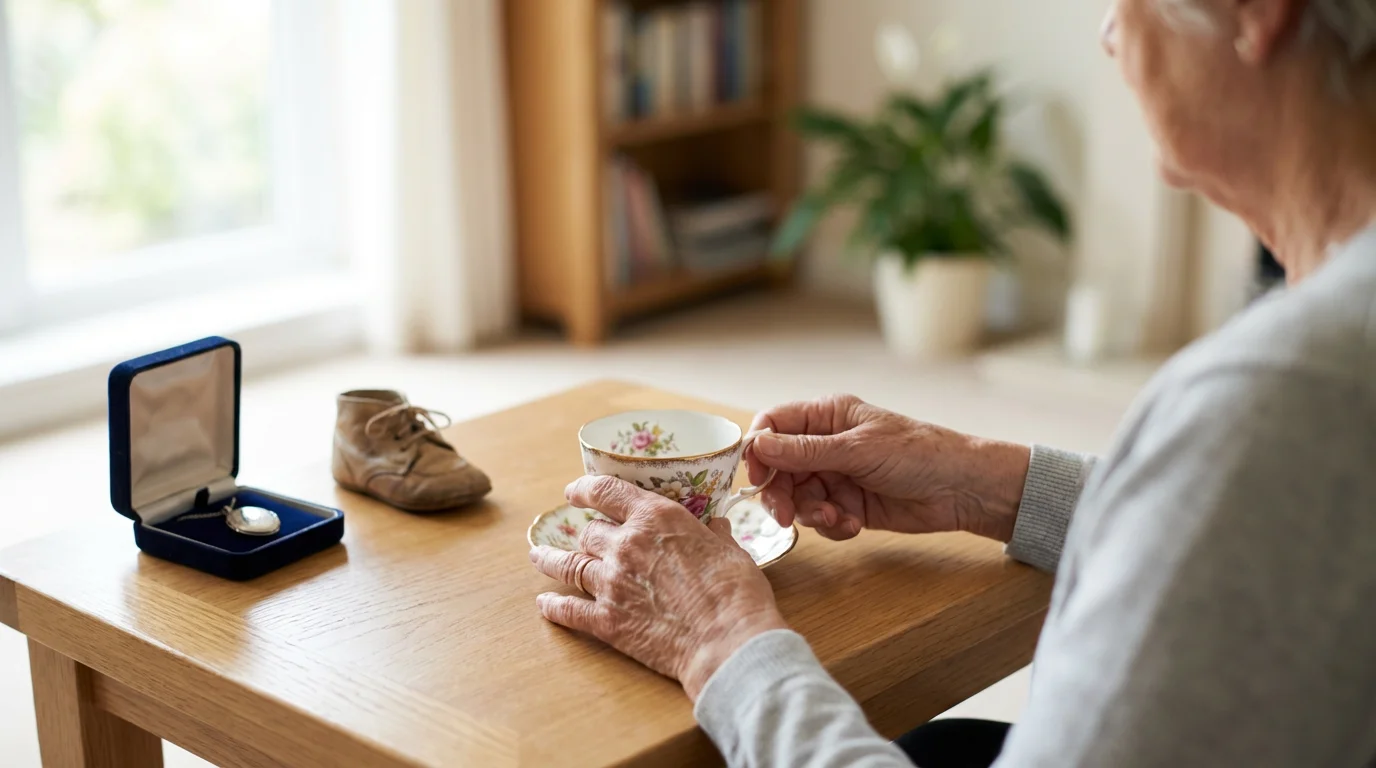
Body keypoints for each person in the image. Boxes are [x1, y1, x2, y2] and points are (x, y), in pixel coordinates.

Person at [528, 0, 1376, 764]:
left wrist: (721, 640)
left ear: (1258, 12)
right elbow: (1238, 524)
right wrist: (981, 479)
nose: (1109, 32)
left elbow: (1239, 490)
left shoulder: (1274, 400)